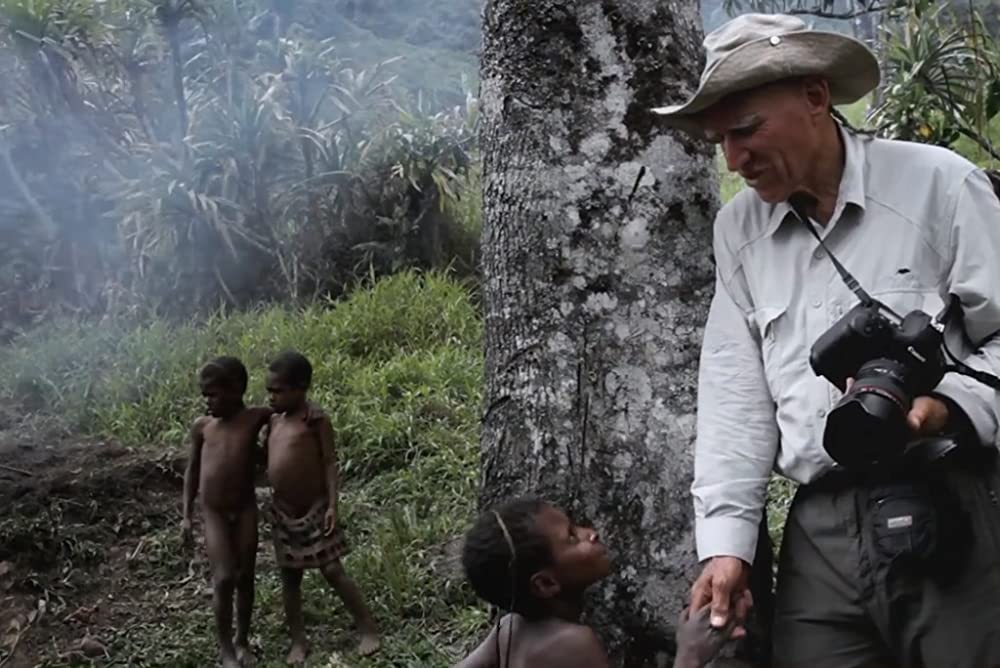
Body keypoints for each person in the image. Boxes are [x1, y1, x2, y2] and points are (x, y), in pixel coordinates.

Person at [652, 12, 1000, 668]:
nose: (734, 158)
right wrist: (725, 547)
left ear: (815, 98)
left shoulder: (938, 185)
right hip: (822, 527)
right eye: (719, 139)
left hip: (950, 493)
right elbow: (733, 393)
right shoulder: (739, 231)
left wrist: (943, 407)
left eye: (747, 129)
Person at [262, 351, 380, 662]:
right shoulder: (272, 421)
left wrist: (332, 505)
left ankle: (367, 627)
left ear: (300, 388)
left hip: (315, 507)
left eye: (278, 390)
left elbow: (329, 462)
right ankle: (298, 640)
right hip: (283, 510)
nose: (270, 397)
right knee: (290, 577)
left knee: (332, 570)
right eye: (268, 391)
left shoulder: (315, 420)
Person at [182, 356, 273, 668]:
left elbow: (288, 412)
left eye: (213, 394)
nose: (207, 401)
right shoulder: (203, 427)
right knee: (223, 579)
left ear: (236, 389)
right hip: (215, 514)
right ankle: (225, 649)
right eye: (204, 395)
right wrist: (185, 515)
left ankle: (242, 639)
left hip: (245, 508)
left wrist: (266, 449)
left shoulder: (256, 417)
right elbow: (192, 472)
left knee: (246, 576)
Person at [456, 496, 613, 668]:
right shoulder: (574, 642)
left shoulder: (509, 629)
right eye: (573, 537)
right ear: (545, 584)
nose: (591, 534)